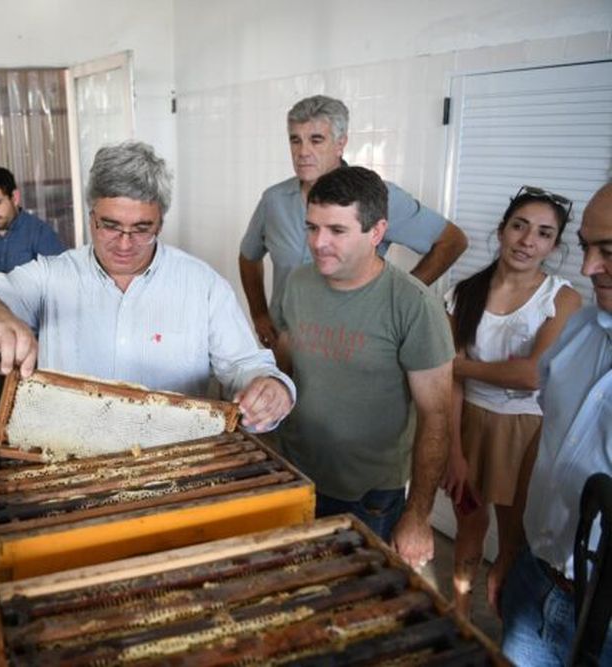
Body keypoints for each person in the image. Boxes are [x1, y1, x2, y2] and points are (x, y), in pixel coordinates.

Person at [0, 141, 295, 432]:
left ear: (161, 220)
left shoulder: (202, 286)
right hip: (70, 466)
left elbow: (246, 365)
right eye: (110, 226)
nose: (124, 244)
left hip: (172, 466)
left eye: (142, 229)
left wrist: (271, 387)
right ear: (91, 215)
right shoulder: (50, 277)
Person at [275, 166, 454, 569]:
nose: (318, 243)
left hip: (370, 496)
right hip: (295, 474)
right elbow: (284, 366)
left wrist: (418, 516)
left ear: (377, 232)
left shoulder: (413, 306)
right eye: (312, 227)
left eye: (337, 231)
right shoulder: (298, 284)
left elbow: (436, 417)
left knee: (355, 605)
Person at [440, 186, 581, 618]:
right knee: (469, 522)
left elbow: (532, 375)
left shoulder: (561, 298)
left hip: (529, 431)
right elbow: (450, 385)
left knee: (515, 535)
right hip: (469, 424)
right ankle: (459, 612)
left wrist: (458, 366)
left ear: (554, 246)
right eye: (519, 226)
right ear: (502, 231)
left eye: (543, 233)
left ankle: (507, 619)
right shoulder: (463, 293)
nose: (527, 241)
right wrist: (455, 451)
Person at [239, 94, 468, 353]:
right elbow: (249, 257)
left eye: (316, 140)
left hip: (352, 342)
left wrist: (399, 296)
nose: (303, 152)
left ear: (341, 143)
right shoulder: (274, 200)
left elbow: (452, 241)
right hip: (287, 340)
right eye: (295, 140)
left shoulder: (379, 196)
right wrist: (258, 313)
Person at [494, 182, 612, 666]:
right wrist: (512, 552)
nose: (588, 268)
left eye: (609, 250)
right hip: (537, 581)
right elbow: (547, 442)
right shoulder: (582, 330)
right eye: (586, 247)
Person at [0, 166, 66, 408]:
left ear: (15, 197)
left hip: (35, 343)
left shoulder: (40, 234)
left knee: (39, 412)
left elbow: (63, 287)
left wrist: (2, 281)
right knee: (2, 411)